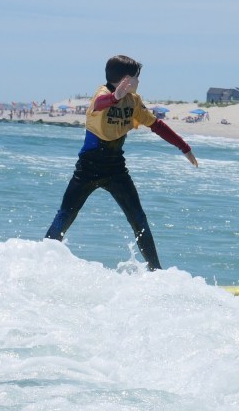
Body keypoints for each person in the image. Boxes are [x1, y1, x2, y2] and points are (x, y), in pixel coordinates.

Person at [45, 55, 198, 271]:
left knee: (138, 219)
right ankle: (41, 261)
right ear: (125, 80)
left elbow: (157, 125)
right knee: (66, 215)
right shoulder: (102, 94)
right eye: (136, 77)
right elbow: (100, 104)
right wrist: (115, 97)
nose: (139, 82)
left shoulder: (133, 101)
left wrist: (185, 147)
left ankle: (156, 271)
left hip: (116, 169)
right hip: (87, 169)